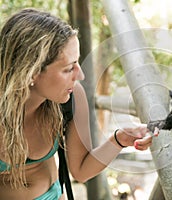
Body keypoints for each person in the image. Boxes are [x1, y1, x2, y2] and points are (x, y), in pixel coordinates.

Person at [0, 8, 156, 199]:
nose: (79, 75)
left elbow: (81, 170)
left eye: (77, 62)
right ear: (31, 71)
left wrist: (120, 140)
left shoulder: (72, 97)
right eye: (68, 69)